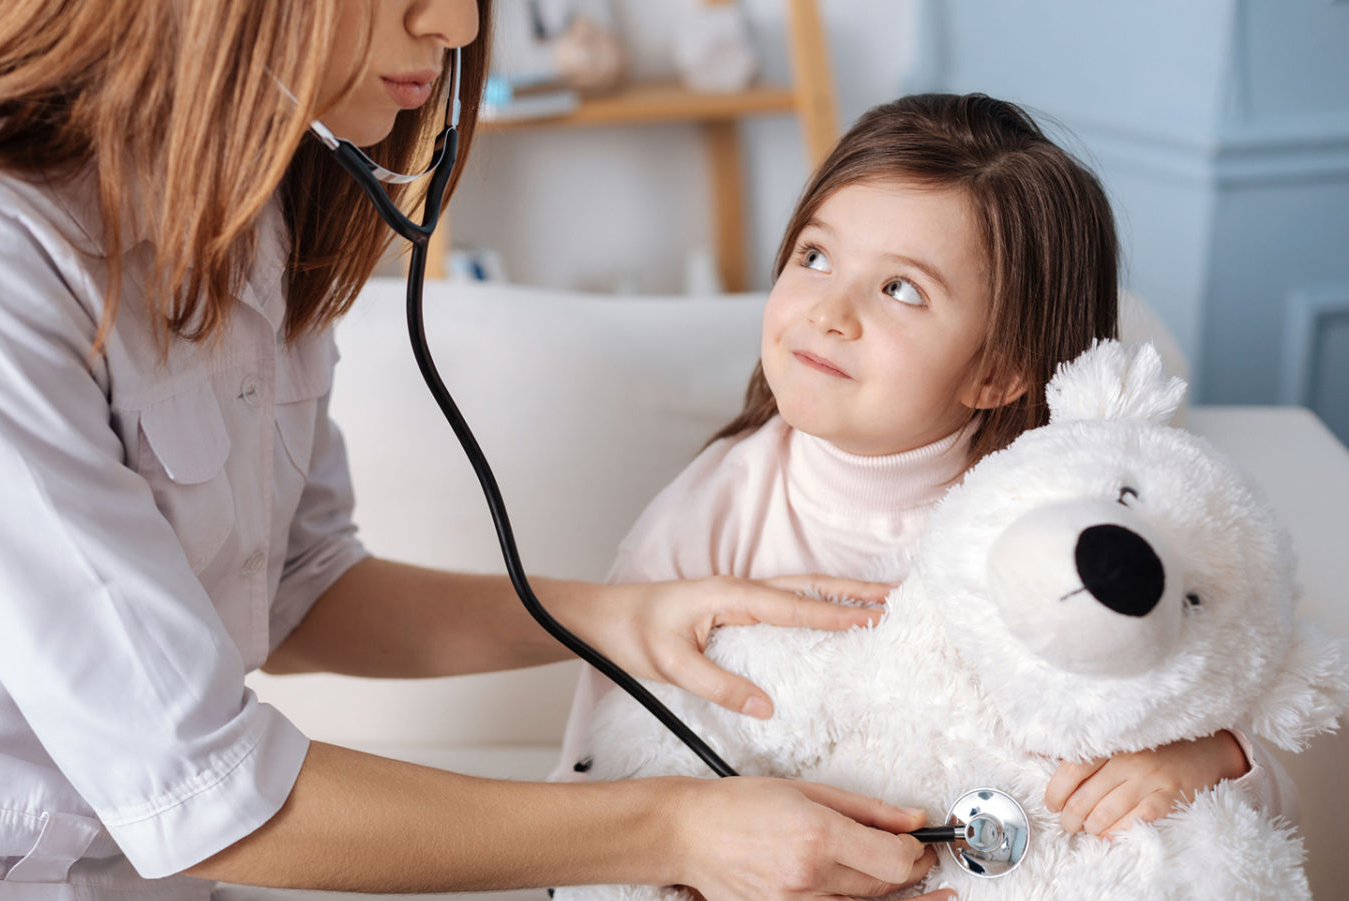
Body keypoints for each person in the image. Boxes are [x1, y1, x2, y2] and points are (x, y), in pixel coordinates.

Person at [0, 1, 962, 901]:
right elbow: (207, 791)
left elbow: (298, 587)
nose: (458, 25)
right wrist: (677, 830)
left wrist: (614, 621)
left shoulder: (250, 220)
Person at [556, 93, 1297, 840]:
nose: (829, 311)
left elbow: (1263, 792)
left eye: (899, 289)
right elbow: (595, 769)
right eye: (815, 257)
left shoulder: (1079, 517)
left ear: (1000, 374)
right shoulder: (711, 513)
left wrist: (1212, 759)